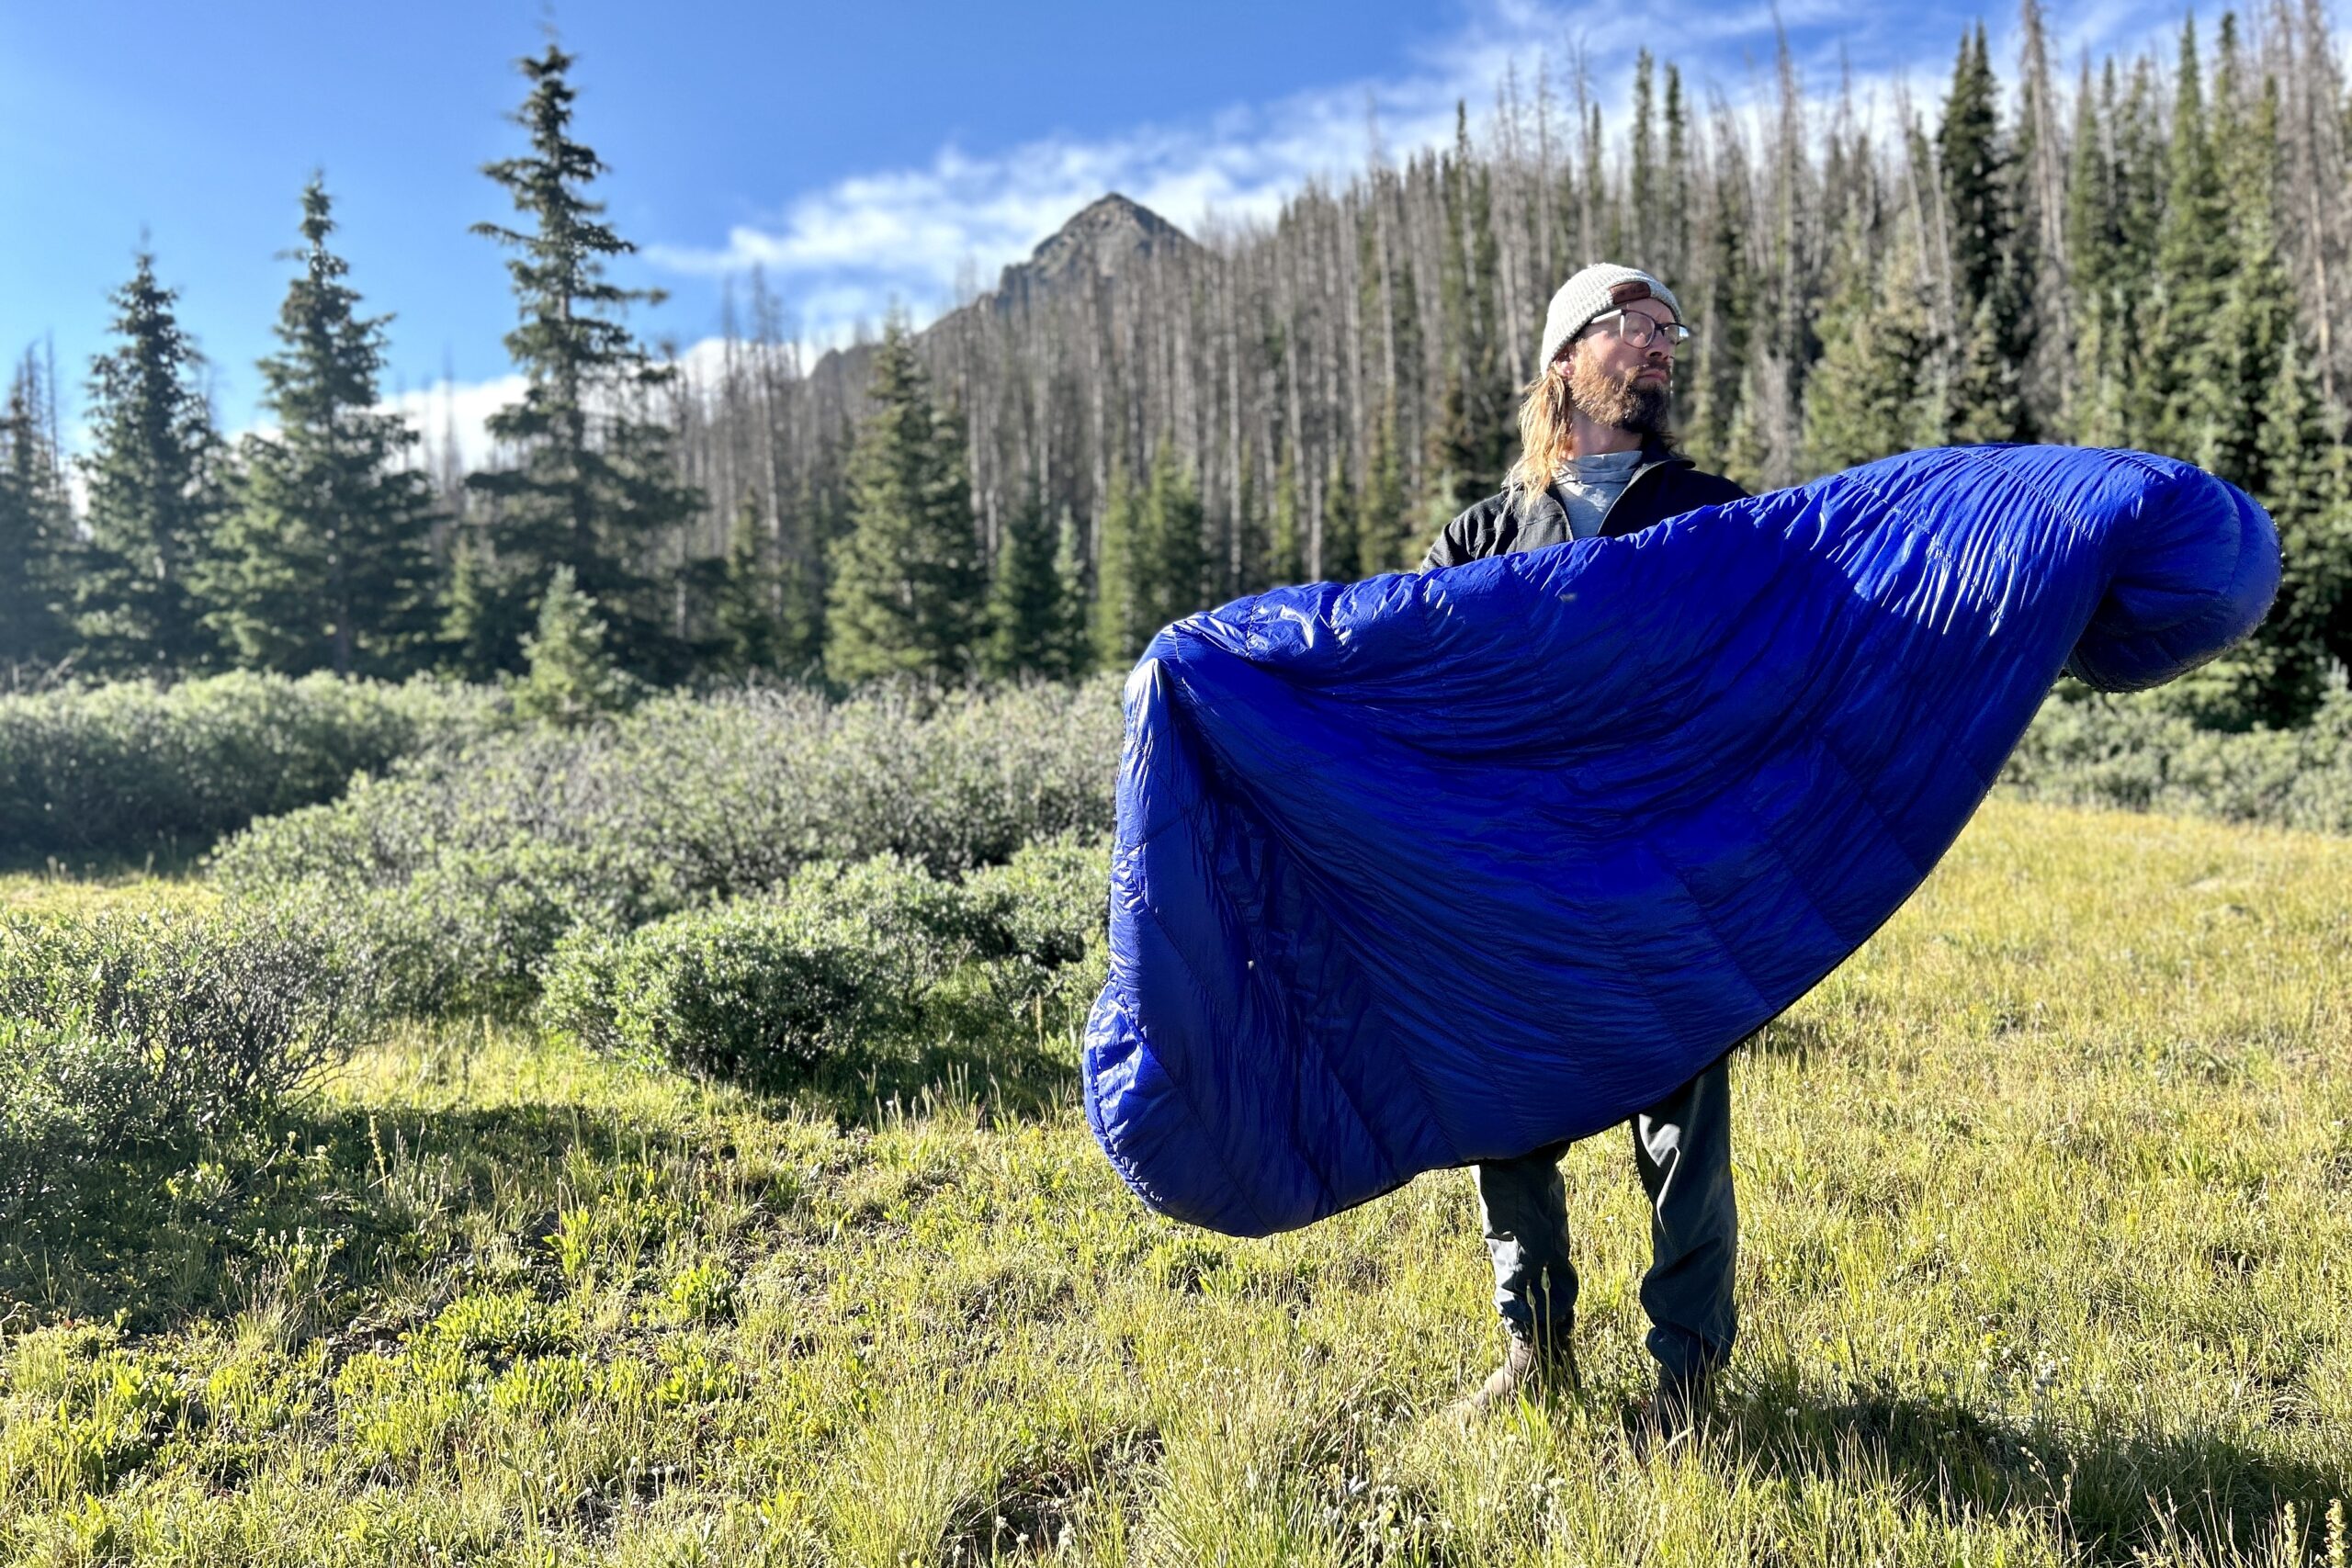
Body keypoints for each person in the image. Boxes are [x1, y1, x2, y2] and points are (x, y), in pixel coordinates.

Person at [1421, 263, 1748, 1434]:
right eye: (1633, 327)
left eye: (1671, 329)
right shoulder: (1481, 536)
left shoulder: (1713, 514)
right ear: (1565, 357)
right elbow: (1408, 689)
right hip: (1526, 876)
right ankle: (1534, 1352)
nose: (1660, 346)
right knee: (1508, 1116)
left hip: (1664, 869)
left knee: (1682, 1129)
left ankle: (1688, 1374)